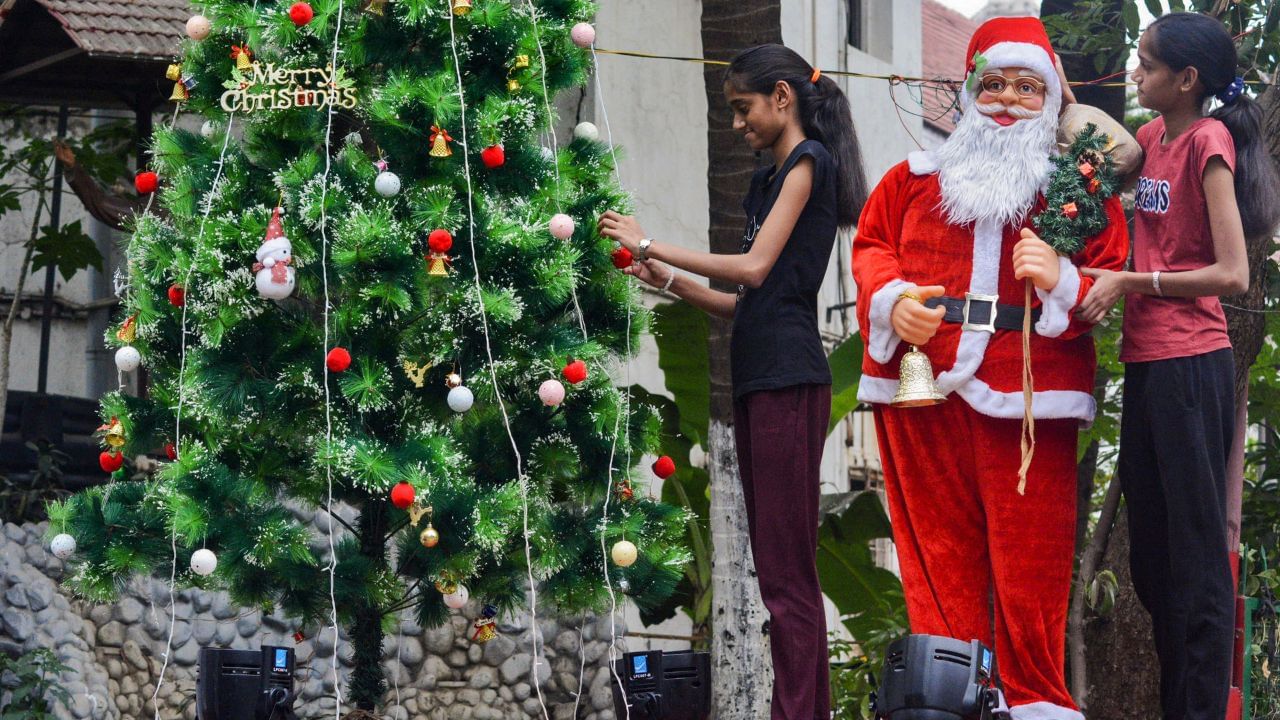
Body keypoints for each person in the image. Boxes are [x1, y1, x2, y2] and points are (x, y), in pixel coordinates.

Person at [851, 17, 1129, 718]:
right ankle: (946, 695)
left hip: (1029, 393)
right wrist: (892, 301)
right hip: (922, 385)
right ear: (971, 91)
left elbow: (1110, 275)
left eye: (1027, 87)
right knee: (936, 556)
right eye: (994, 83)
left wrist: (1061, 275)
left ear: (1051, 99)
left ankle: (1035, 700)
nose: (1007, 99)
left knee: (1028, 560)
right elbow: (872, 245)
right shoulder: (911, 181)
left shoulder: (1076, 194)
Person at [598, 43, 867, 720]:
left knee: (787, 577)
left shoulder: (809, 163)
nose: (738, 124)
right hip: (760, 378)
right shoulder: (767, 178)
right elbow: (747, 301)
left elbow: (751, 269)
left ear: (782, 96)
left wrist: (650, 241)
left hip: (788, 380)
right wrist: (672, 281)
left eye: (744, 109)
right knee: (776, 570)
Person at [1077, 12, 1280, 719]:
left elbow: (1230, 272)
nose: (1136, 73)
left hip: (1193, 367)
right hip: (1147, 366)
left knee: (1195, 565)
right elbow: (1086, 138)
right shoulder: (1156, 139)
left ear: (1186, 78)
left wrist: (1132, 282)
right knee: (1153, 565)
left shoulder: (1208, 140)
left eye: (1147, 64)